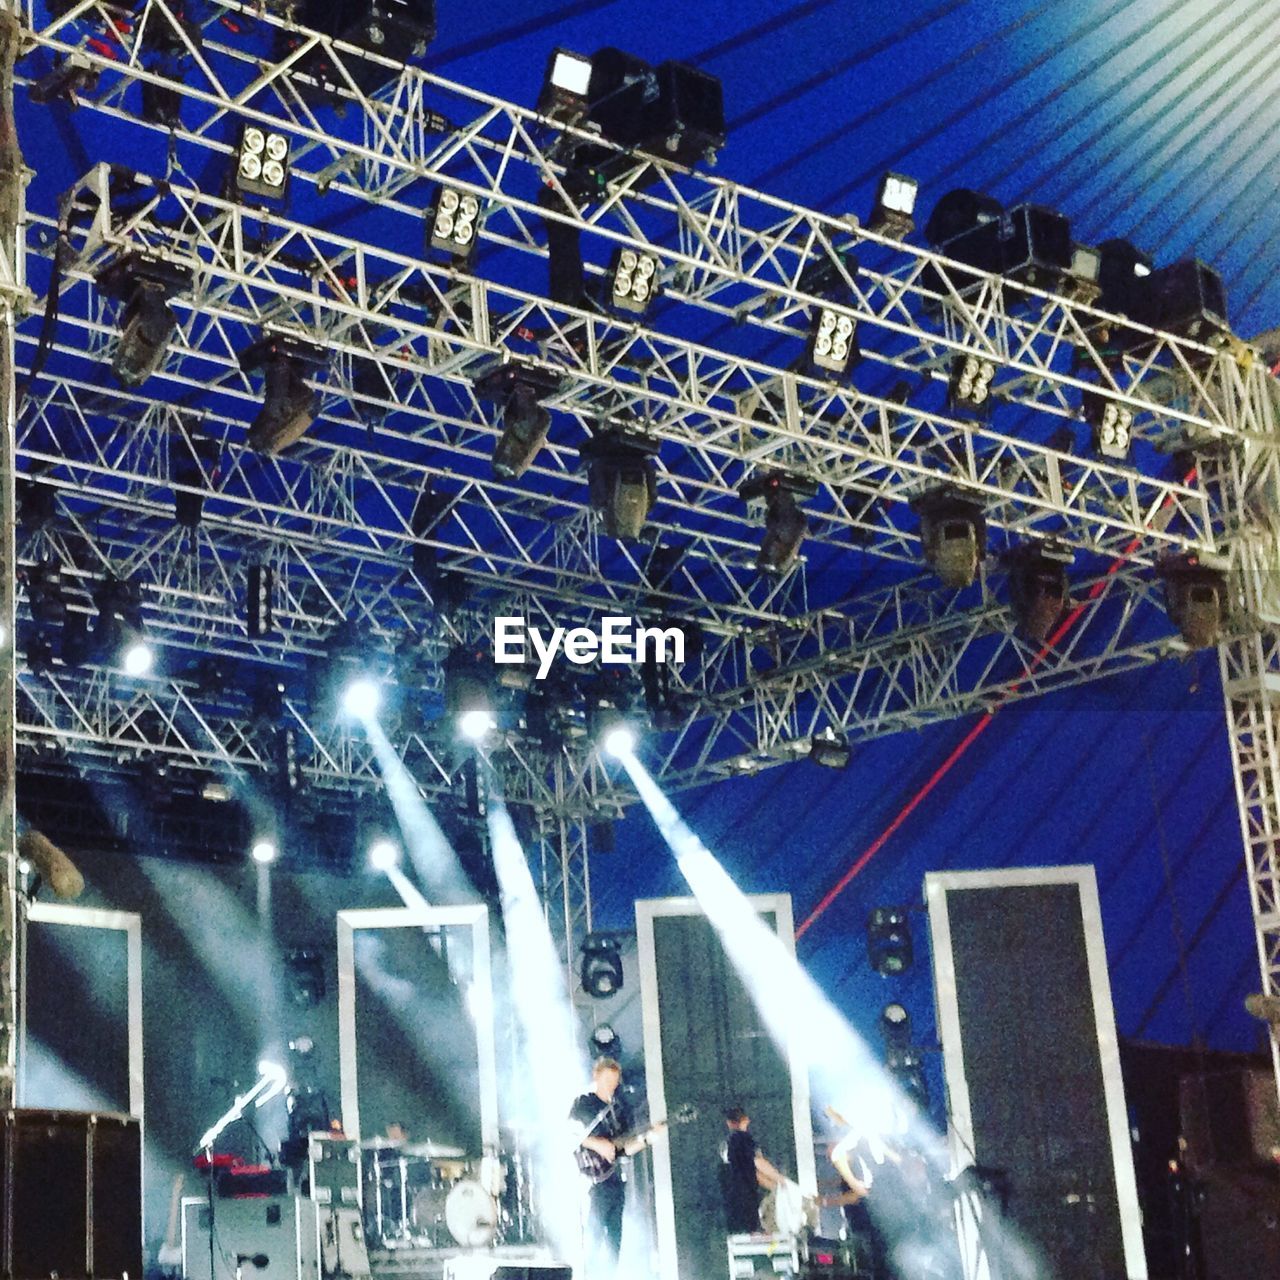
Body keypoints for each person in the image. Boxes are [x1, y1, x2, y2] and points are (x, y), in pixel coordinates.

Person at [569, 1058, 636, 1276]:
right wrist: (597, 1143)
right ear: (596, 1076)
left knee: (614, 1241)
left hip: (615, 1180)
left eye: (615, 1081)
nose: (611, 1085)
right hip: (592, 1181)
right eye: (607, 1079)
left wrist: (647, 1139)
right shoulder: (584, 1104)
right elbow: (570, 1134)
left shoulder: (620, 1109)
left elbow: (625, 1148)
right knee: (593, 1238)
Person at [720, 1106, 784, 1235]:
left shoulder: (726, 1145)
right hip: (746, 1198)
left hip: (732, 1201)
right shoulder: (743, 1140)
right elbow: (757, 1165)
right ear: (746, 1120)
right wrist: (781, 1182)